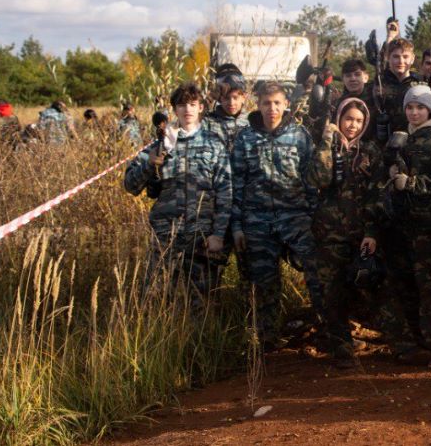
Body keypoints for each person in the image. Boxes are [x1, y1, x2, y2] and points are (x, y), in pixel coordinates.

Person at [230, 81, 323, 350]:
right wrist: (237, 227)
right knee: (264, 282)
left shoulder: (299, 136)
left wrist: (314, 218)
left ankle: (327, 328)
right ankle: (268, 340)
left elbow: (311, 180)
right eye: (266, 103)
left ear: (286, 105)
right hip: (257, 220)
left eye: (277, 103)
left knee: (316, 272)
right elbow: (237, 184)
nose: (272, 108)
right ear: (257, 105)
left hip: (295, 217)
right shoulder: (245, 139)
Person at [123, 82, 231, 304]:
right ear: (174, 109)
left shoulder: (214, 144)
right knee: (155, 300)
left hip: (201, 237)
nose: (188, 110)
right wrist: (149, 165)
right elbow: (130, 186)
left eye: (193, 104)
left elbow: (225, 191)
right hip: (166, 236)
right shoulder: (162, 143)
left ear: (201, 107)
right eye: (182, 105)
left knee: (202, 304)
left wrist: (218, 234)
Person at [380, 84, 431, 367]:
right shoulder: (403, 138)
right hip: (405, 224)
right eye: (410, 107)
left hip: (430, 225)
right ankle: (421, 340)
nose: (414, 112)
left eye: (420, 107)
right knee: (408, 284)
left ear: (429, 109)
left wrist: (411, 183)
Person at [309, 97, 387, 368]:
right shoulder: (328, 148)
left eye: (358, 121)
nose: (352, 125)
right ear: (339, 120)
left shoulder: (371, 152)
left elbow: (378, 194)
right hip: (329, 234)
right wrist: (326, 140)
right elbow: (318, 178)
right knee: (332, 292)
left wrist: (372, 231)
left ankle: (390, 336)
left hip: (361, 232)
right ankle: (341, 346)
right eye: (347, 119)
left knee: (367, 287)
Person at [365, 37, 421, 140]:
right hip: (382, 142)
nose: (401, 61)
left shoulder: (421, 85)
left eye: (405, 56)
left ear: (412, 58)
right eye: (396, 56)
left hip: (413, 142)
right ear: (387, 57)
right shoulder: (377, 84)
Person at [203, 65, 250, 151]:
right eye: (226, 98)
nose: (231, 103)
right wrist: (210, 99)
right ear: (219, 98)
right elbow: (187, 122)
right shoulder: (209, 121)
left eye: (235, 98)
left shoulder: (251, 122)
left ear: (243, 97)